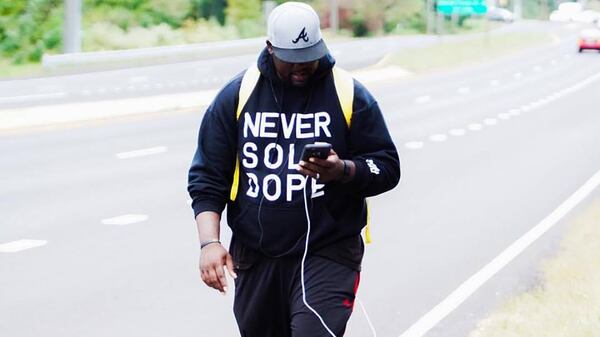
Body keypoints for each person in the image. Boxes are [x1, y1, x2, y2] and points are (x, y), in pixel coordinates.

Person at [187, 2, 400, 336]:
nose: (302, 69)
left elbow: (387, 167)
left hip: (328, 253)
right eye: (292, 60)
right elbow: (207, 179)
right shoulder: (237, 96)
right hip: (256, 257)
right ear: (270, 48)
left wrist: (341, 170)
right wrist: (209, 243)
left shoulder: (348, 94)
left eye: (309, 58)